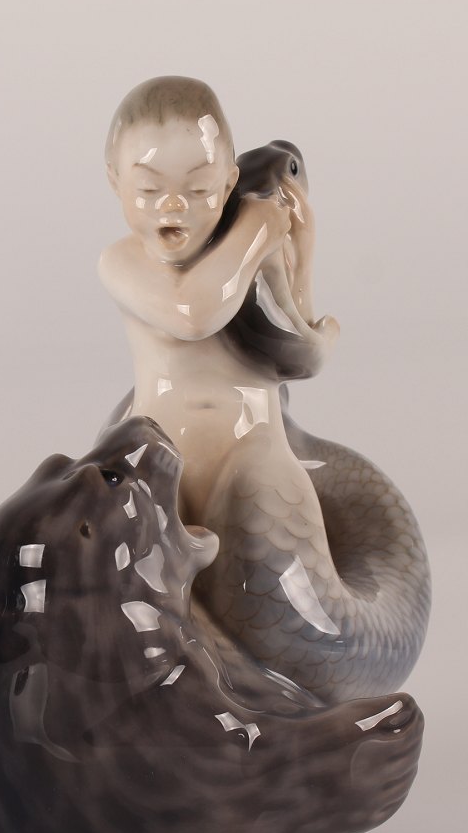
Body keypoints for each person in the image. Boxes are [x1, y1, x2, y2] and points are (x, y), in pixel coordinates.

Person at [98, 76, 317, 527]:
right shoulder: (121, 261)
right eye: (149, 190)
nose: (173, 205)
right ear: (115, 180)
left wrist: (301, 251)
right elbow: (193, 314)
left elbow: (298, 350)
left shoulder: (247, 256)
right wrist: (256, 228)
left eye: (199, 189)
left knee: (276, 529)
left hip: (252, 441)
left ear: (229, 180)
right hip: (156, 454)